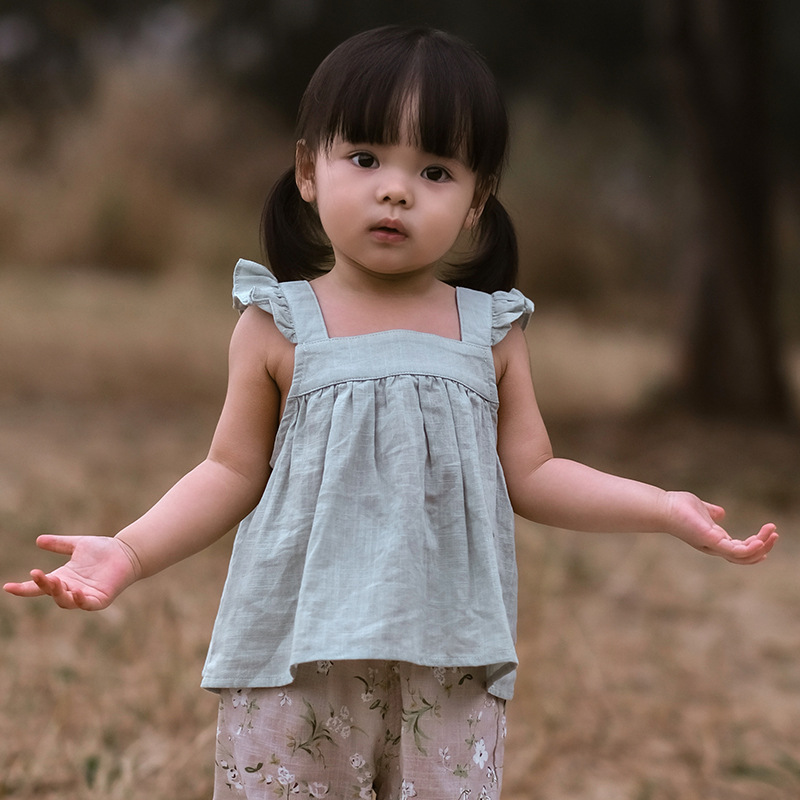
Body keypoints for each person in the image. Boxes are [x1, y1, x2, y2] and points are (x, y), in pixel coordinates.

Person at [4, 25, 777, 800]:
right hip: (295, 655)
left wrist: (662, 507)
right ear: (309, 170)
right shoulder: (278, 323)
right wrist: (129, 552)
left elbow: (536, 474)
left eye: (435, 170)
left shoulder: (491, 331)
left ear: (477, 201)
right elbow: (230, 471)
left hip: (450, 661)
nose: (396, 190)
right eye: (366, 158)